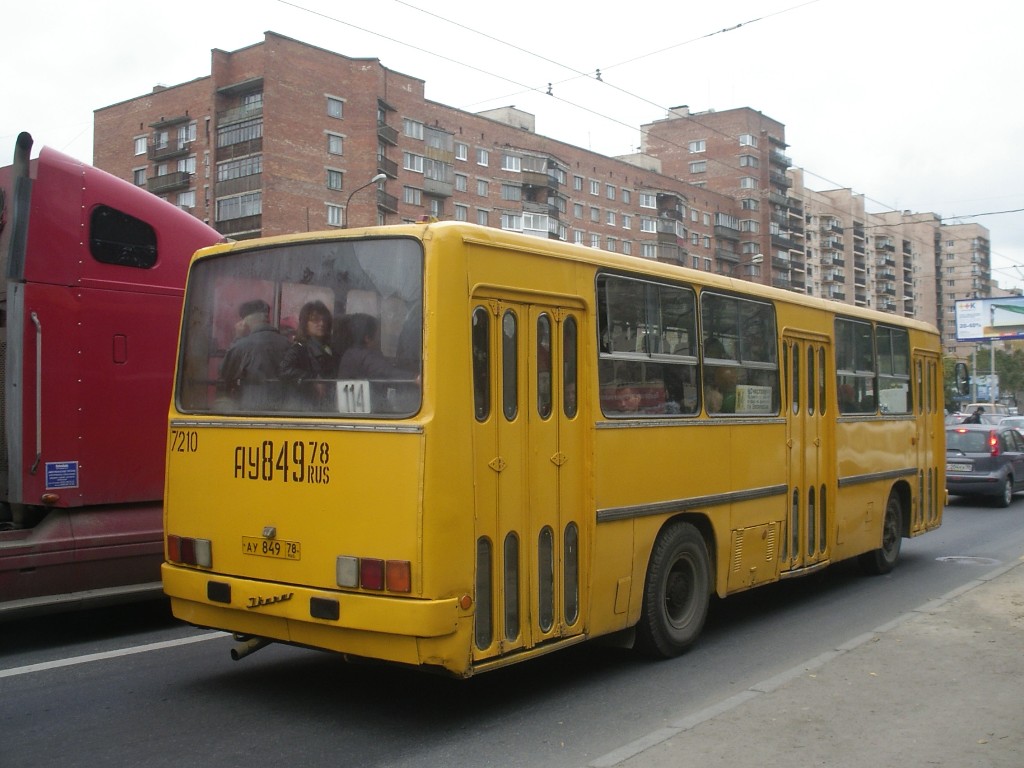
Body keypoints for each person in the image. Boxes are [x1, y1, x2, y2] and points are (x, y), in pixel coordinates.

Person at [220, 299, 292, 410]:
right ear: (267, 319)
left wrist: (238, 338)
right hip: (285, 407)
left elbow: (225, 374)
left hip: (252, 408)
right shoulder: (287, 343)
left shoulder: (242, 346)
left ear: (245, 321)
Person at [279, 300, 338, 409]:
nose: (321, 324)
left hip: (324, 404)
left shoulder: (329, 348)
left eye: (324, 320)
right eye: (315, 320)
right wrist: (312, 380)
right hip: (304, 406)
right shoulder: (299, 348)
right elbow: (284, 369)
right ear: (305, 324)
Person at [337, 313, 406, 380]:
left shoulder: (349, 353)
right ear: (367, 338)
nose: (379, 339)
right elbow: (387, 372)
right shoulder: (365, 356)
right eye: (378, 334)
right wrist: (414, 377)